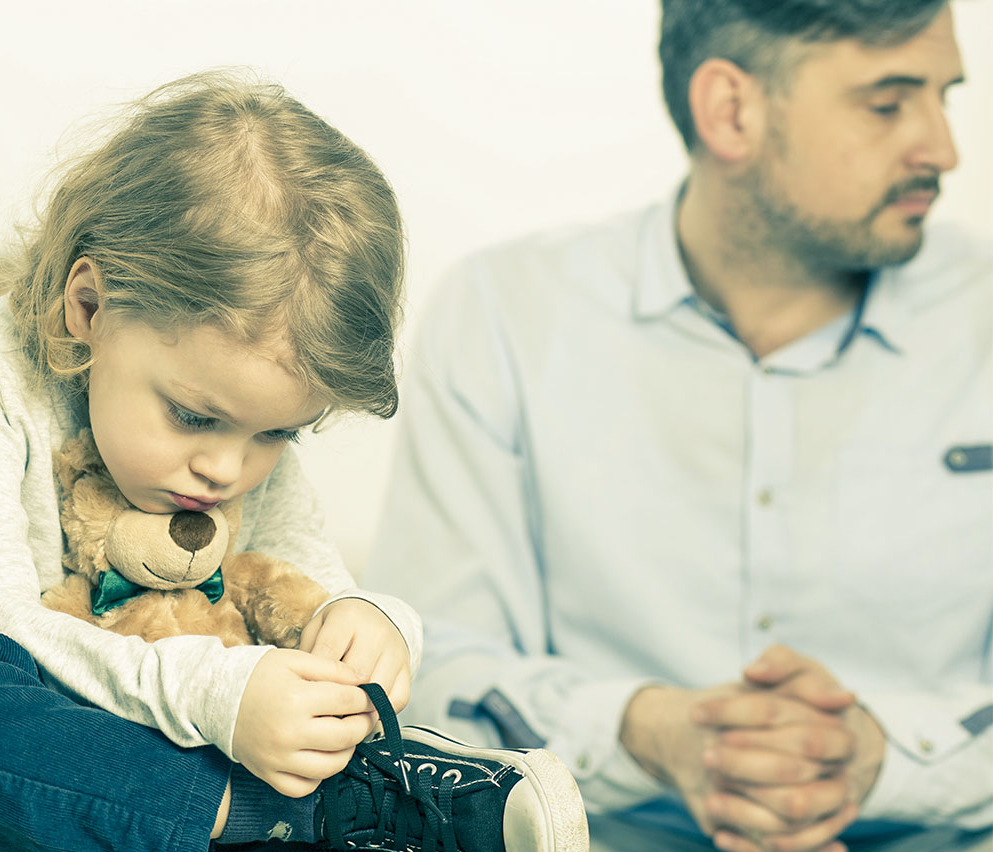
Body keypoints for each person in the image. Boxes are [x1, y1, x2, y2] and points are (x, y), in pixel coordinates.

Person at [0, 71, 589, 852]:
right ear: (89, 306)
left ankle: (358, 811)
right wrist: (217, 694)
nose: (227, 469)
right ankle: (298, 817)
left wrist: (372, 625)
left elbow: (303, 588)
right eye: (194, 417)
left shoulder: (234, 433)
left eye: (276, 436)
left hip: (168, 820)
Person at [367, 1, 993, 851]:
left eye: (943, 97)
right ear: (731, 111)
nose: (943, 150)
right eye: (888, 103)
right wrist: (649, 731)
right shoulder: (503, 317)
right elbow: (424, 670)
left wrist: (881, 756)